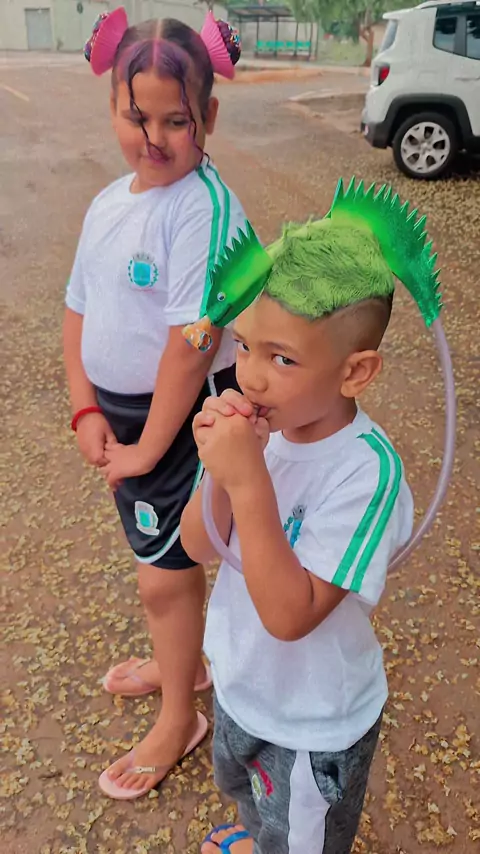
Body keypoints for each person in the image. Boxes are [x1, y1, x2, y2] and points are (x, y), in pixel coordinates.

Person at [180, 185, 428, 853]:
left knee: (299, 835)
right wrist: (221, 470)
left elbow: (292, 615)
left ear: (356, 372)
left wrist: (247, 479)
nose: (250, 377)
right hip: (242, 686)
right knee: (248, 800)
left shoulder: (366, 472)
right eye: (244, 345)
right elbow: (198, 544)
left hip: (310, 725)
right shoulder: (262, 431)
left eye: (282, 358)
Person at [63, 6, 246, 800]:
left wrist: (146, 447)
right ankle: (186, 665)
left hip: (184, 417)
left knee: (164, 575)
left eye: (178, 120)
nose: (156, 138)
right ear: (113, 107)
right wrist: (85, 407)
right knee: (157, 558)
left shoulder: (202, 207)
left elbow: (192, 343)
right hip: (129, 419)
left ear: (210, 116)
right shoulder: (110, 202)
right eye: (138, 118)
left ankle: (180, 717)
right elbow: (76, 308)